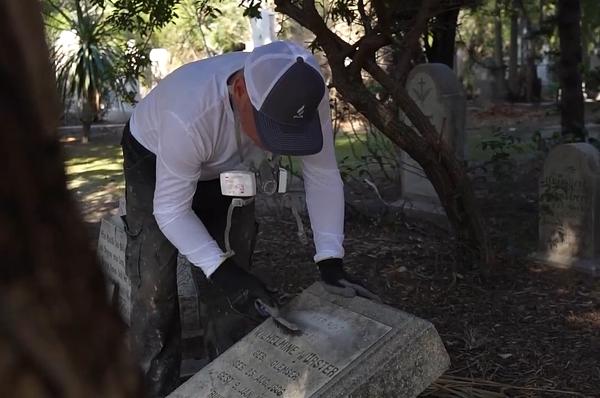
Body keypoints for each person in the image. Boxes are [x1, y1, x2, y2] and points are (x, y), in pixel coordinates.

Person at [120, 40, 378, 397]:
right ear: (240, 90)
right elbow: (171, 210)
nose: (278, 144)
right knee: (155, 286)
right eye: (272, 127)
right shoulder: (189, 114)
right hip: (153, 154)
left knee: (235, 293)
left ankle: (229, 385)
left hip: (227, 170)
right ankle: (152, 386)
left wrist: (330, 258)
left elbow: (322, 174)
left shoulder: (304, 86)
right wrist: (219, 268)